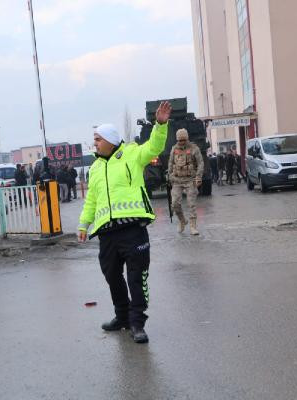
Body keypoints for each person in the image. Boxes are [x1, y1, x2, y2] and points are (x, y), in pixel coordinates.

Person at [78, 101, 172, 344]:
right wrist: (83, 224)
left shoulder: (131, 154)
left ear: (110, 139)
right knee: (112, 277)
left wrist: (160, 125)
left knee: (136, 278)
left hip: (133, 231)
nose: (95, 143)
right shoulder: (96, 167)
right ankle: (121, 317)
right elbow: (92, 199)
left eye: (98, 139)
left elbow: (154, 146)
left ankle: (137, 323)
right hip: (107, 235)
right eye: (94, 139)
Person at [167, 129, 204, 235]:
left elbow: (200, 163)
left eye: (183, 140)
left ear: (187, 138)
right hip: (177, 180)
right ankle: (182, 220)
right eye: (180, 140)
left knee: (191, 204)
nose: (182, 142)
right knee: (174, 204)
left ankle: (193, 226)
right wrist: (169, 176)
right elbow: (170, 163)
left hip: (190, 180)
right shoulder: (174, 149)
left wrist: (198, 177)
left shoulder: (194, 148)